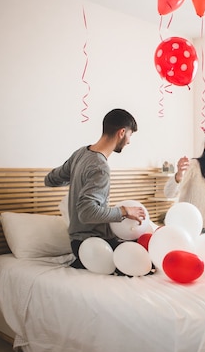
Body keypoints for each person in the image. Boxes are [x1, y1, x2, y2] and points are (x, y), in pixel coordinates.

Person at [45, 108, 146, 269]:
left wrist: (77, 178)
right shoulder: (100, 167)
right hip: (93, 245)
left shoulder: (80, 154)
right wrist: (125, 211)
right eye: (130, 135)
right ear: (122, 132)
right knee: (143, 261)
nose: (129, 142)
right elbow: (86, 213)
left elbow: (50, 180)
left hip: (78, 244)